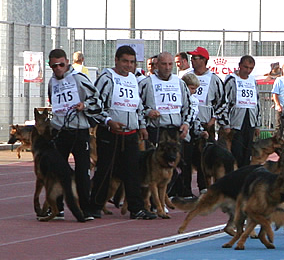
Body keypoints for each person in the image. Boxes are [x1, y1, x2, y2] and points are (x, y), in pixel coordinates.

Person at [87, 45, 157, 220]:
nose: (128, 65)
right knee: (105, 170)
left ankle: (137, 208)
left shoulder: (134, 79)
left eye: (132, 62)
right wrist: (108, 121)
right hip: (111, 133)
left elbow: (138, 105)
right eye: (125, 61)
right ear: (116, 60)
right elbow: (96, 104)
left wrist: (142, 126)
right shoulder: (106, 78)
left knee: (133, 171)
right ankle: (95, 206)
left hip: (130, 133)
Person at [47, 48, 102, 220]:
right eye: (54, 66)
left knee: (82, 171)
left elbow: (97, 100)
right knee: (57, 171)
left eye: (61, 65)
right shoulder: (51, 82)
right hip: (60, 130)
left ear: (67, 63)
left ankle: (85, 209)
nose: (58, 68)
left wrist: (84, 105)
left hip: (79, 131)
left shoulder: (79, 78)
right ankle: (57, 208)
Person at [139, 51, 192, 197]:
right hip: (155, 129)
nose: (167, 68)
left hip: (175, 129)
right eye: (164, 64)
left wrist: (186, 124)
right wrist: (147, 113)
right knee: (155, 167)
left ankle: (173, 195)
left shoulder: (180, 83)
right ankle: (150, 200)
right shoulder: (146, 83)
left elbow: (189, 106)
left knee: (178, 165)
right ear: (157, 65)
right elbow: (137, 106)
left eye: (170, 64)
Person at [188, 46, 228, 194]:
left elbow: (223, 102)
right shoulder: (186, 76)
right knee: (188, 157)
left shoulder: (214, 79)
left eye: (195, 58)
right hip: (189, 124)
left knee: (206, 158)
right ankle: (185, 189)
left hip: (206, 124)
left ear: (204, 60)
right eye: (192, 58)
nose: (192, 60)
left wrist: (213, 119)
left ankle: (205, 187)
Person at [222, 55, 261, 168]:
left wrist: (257, 124)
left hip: (250, 121)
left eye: (250, 68)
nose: (248, 70)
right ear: (239, 66)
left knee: (247, 154)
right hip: (235, 123)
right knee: (236, 153)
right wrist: (226, 124)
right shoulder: (231, 80)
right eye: (245, 67)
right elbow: (225, 102)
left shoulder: (253, 81)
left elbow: (257, 102)